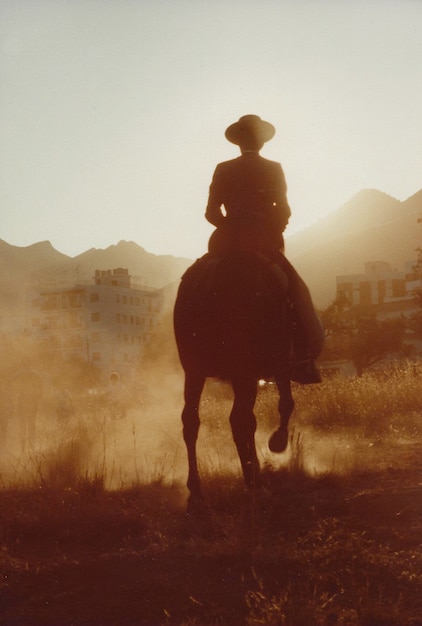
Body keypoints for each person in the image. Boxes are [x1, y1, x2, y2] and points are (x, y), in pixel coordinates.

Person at [205, 114, 324, 383]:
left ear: (238, 143)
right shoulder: (273, 168)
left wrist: (229, 227)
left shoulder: (223, 168)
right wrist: (273, 230)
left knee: (195, 282)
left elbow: (211, 212)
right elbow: (283, 210)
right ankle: (303, 358)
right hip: (263, 241)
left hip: (226, 241)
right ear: (261, 142)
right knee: (295, 289)